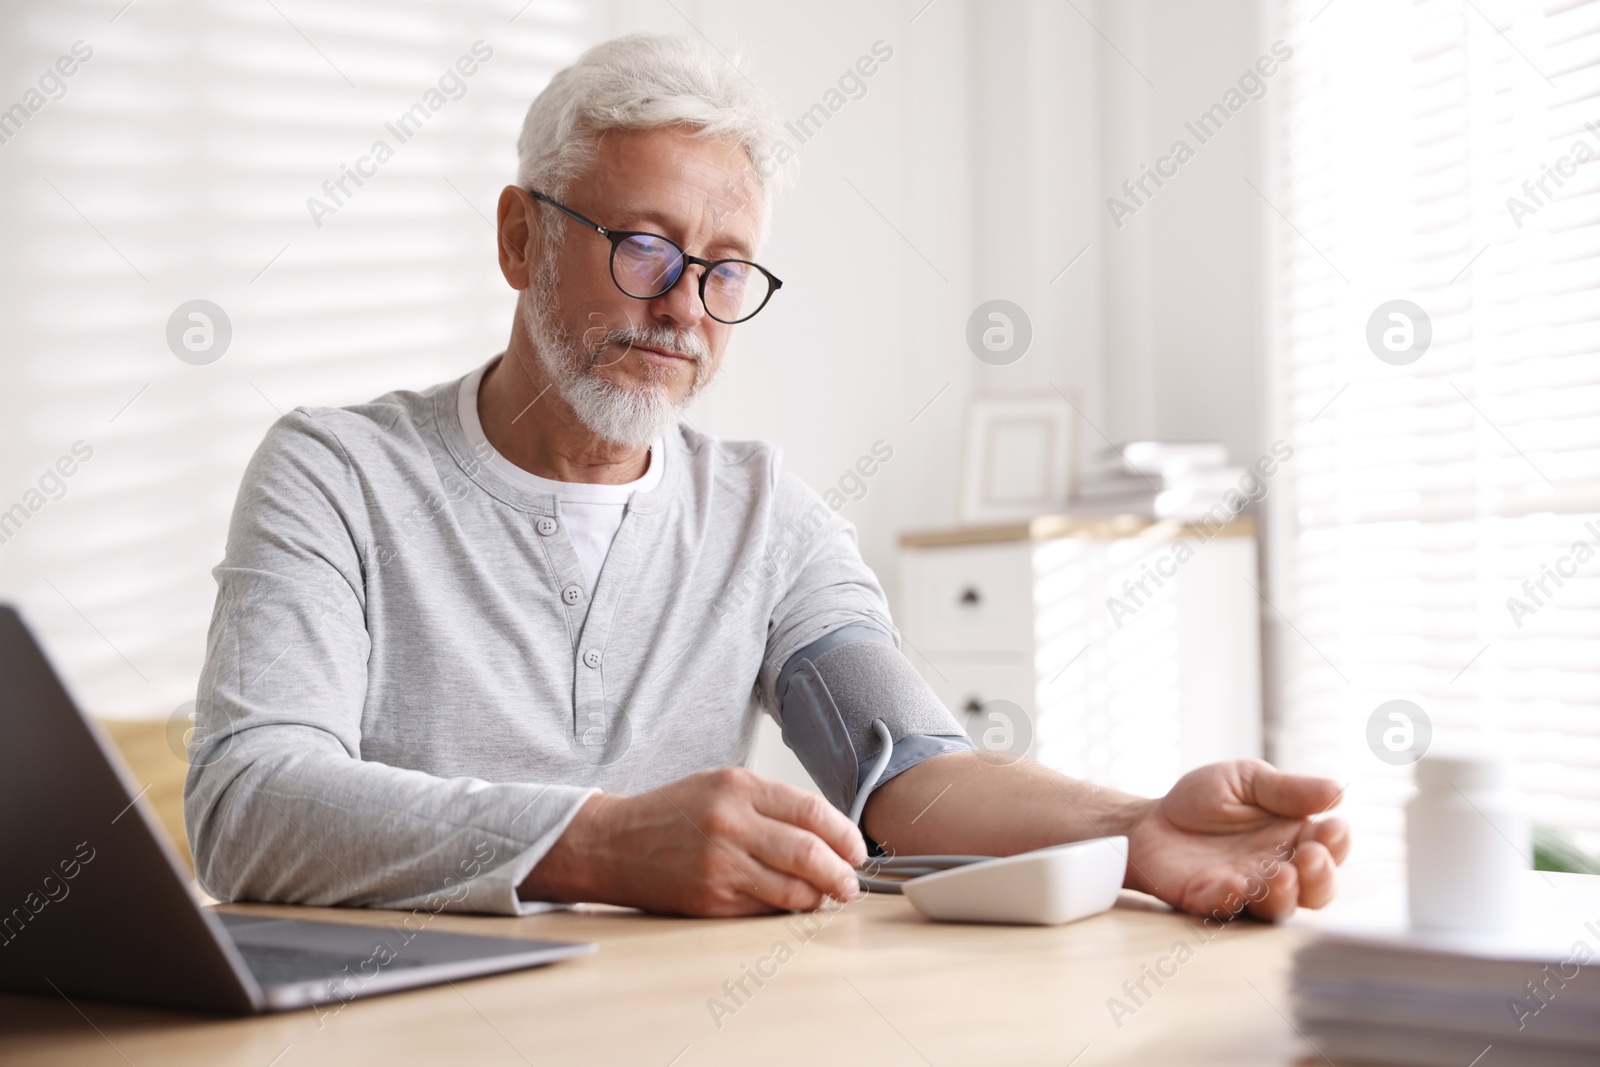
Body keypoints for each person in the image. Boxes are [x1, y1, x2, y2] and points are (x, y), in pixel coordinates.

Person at [185, 33, 1349, 921]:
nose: (683, 306)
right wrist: (601, 841)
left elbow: (910, 777)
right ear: (519, 239)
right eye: (641, 246)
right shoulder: (334, 473)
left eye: (725, 268)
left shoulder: (764, 515)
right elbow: (249, 806)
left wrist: (1135, 825)